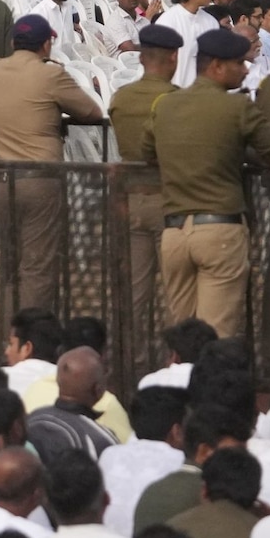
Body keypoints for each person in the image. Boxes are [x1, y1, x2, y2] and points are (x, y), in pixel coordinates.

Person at [140, 29, 270, 336]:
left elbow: (148, 153)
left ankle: (177, 380)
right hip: (220, 230)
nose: (246, 69)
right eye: (239, 63)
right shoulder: (238, 107)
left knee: (181, 335)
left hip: (174, 233)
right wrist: (238, 152)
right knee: (216, 337)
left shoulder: (165, 104)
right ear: (218, 66)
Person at [0, 17, 104, 306]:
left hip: (1, 179)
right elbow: (93, 112)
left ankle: (10, 336)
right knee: (37, 266)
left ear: (12, 43)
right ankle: (32, 339)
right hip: (39, 179)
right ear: (46, 45)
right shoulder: (50, 75)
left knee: (10, 264)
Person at [110, 24, 181, 321]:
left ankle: (131, 360)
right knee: (177, 294)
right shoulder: (178, 100)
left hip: (131, 199)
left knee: (134, 294)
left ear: (141, 58)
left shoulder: (121, 98)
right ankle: (176, 361)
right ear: (174, 58)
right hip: (170, 200)